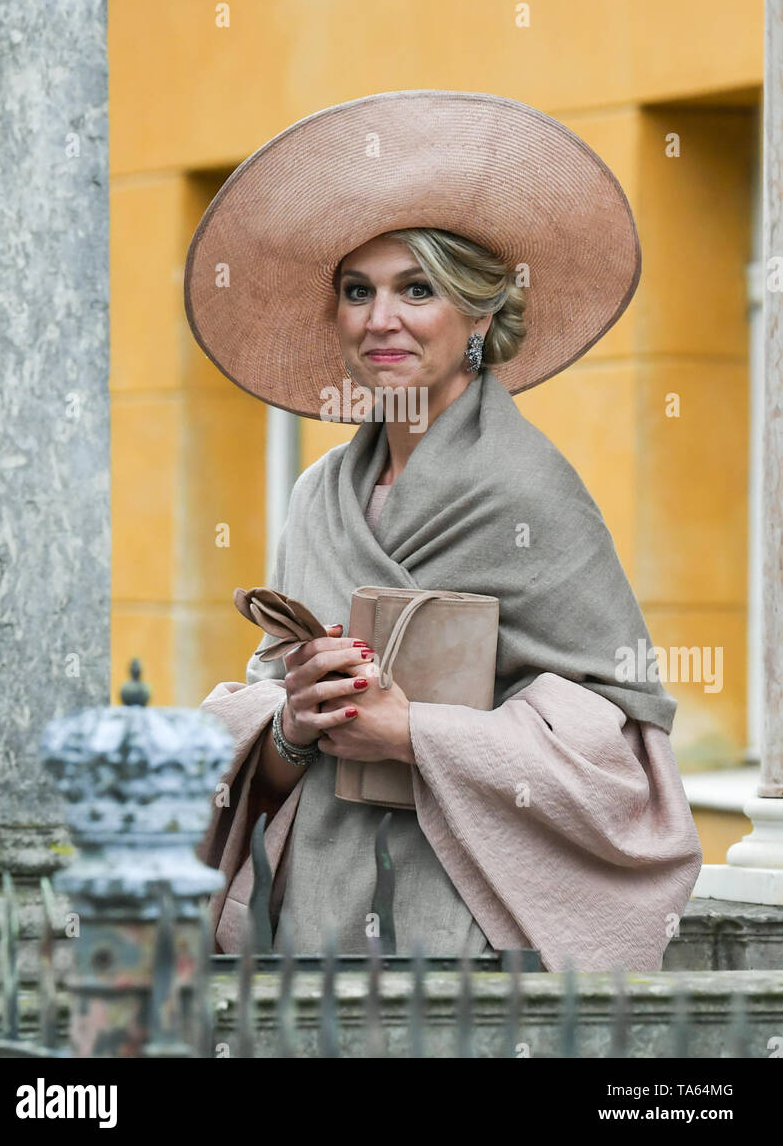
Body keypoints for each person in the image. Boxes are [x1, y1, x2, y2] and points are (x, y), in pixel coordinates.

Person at [184, 89, 703, 971]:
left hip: (465, 927)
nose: (378, 319)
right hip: (309, 909)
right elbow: (267, 759)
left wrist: (414, 734)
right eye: (357, 292)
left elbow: (621, 745)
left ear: (478, 317)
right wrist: (290, 728)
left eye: (415, 290)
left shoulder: (528, 492)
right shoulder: (317, 495)